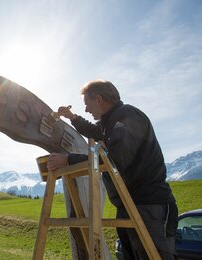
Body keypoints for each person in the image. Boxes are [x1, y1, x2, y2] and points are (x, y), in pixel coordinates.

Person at [47, 80, 178, 259]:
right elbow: (94, 131)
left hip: (149, 206)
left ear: (99, 99)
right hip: (129, 204)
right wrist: (72, 117)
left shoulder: (127, 117)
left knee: (153, 255)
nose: (86, 109)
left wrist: (69, 159)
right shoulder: (111, 122)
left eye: (87, 104)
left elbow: (115, 160)